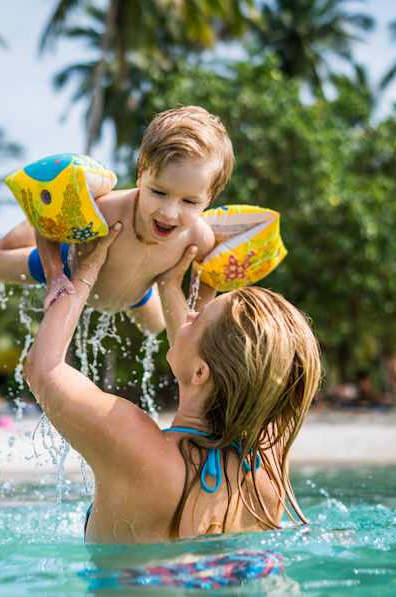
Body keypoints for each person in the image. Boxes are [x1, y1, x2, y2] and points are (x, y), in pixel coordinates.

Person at [24, 225, 322, 543]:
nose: (189, 316)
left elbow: (44, 369)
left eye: (200, 316)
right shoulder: (268, 464)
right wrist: (169, 287)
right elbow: (240, 369)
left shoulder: (136, 445)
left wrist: (85, 271)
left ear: (200, 373)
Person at [0, 106, 234, 332]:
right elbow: (49, 225)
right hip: (69, 265)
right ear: (141, 174)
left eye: (189, 202)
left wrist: (198, 314)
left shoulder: (200, 240)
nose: (169, 213)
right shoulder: (107, 211)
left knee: (156, 327)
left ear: (210, 197)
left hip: (136, 294)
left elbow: (207, 280)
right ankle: (32, 219)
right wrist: (55, 275)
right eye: (158, 192)